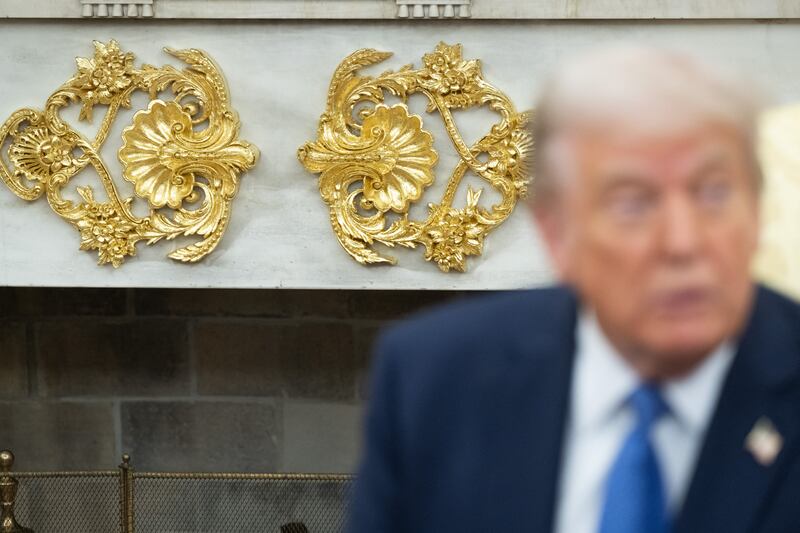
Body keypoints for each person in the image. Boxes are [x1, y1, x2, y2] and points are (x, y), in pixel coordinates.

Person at [347, 45, 800, 533]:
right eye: (633, 204)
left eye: (714, 193)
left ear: (756, 214)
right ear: (556, 233)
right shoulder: (435, 382)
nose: (683, 243)